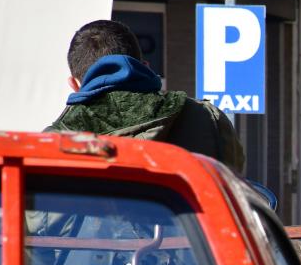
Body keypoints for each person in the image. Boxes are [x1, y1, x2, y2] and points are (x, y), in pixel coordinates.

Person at [46, 20, 244, 174]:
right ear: (145, 68)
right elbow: (233, 186)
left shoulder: (53, 142)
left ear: (74, 84)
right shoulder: (207, 119)